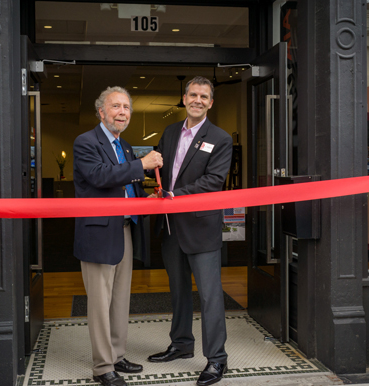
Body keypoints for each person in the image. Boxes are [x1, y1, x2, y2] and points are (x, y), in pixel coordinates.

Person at [73, 86, 163, 386]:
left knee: (120, 300)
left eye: (126, 107)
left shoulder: (123, 146)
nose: (122, 112)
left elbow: (128, 184)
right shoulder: (85, 142)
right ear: (102, 112)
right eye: (116, 107)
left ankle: (117, 354)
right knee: (100, 304)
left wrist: (144, 200)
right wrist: (142, 164)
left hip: (125, 229)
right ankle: (102, 367)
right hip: (98, 233)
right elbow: (100, 177)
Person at [147, 76, 233, 386]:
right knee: (179, 292)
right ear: (184, 98)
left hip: (201, 227)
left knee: (210, 297)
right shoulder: (169, 133)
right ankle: (181, 344)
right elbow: (163, 175)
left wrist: (175, 195)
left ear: (211, 102)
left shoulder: (220, 138)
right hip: (171, 226)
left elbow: (214, 181)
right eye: (193, 94)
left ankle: (216, 359)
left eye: (204, 96)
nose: (197, 100)